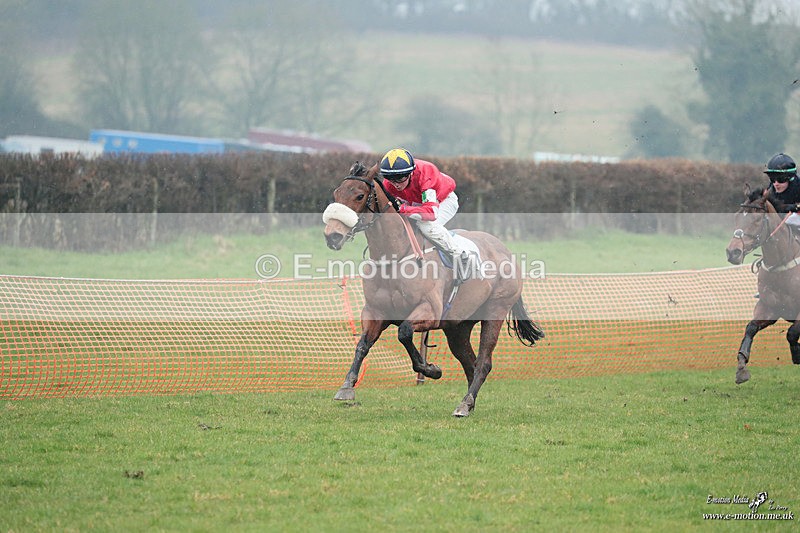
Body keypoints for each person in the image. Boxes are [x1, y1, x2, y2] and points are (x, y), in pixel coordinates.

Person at [379, 148, 472, 281]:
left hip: (443, 200)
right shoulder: (388, 184)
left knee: (427, 227)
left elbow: (431, 213)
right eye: (390, 178)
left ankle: (461, 257)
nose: (395, 184)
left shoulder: (426, 174)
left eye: (400, 178)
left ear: (410, 173)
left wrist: (404, 209)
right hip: (415, 201)